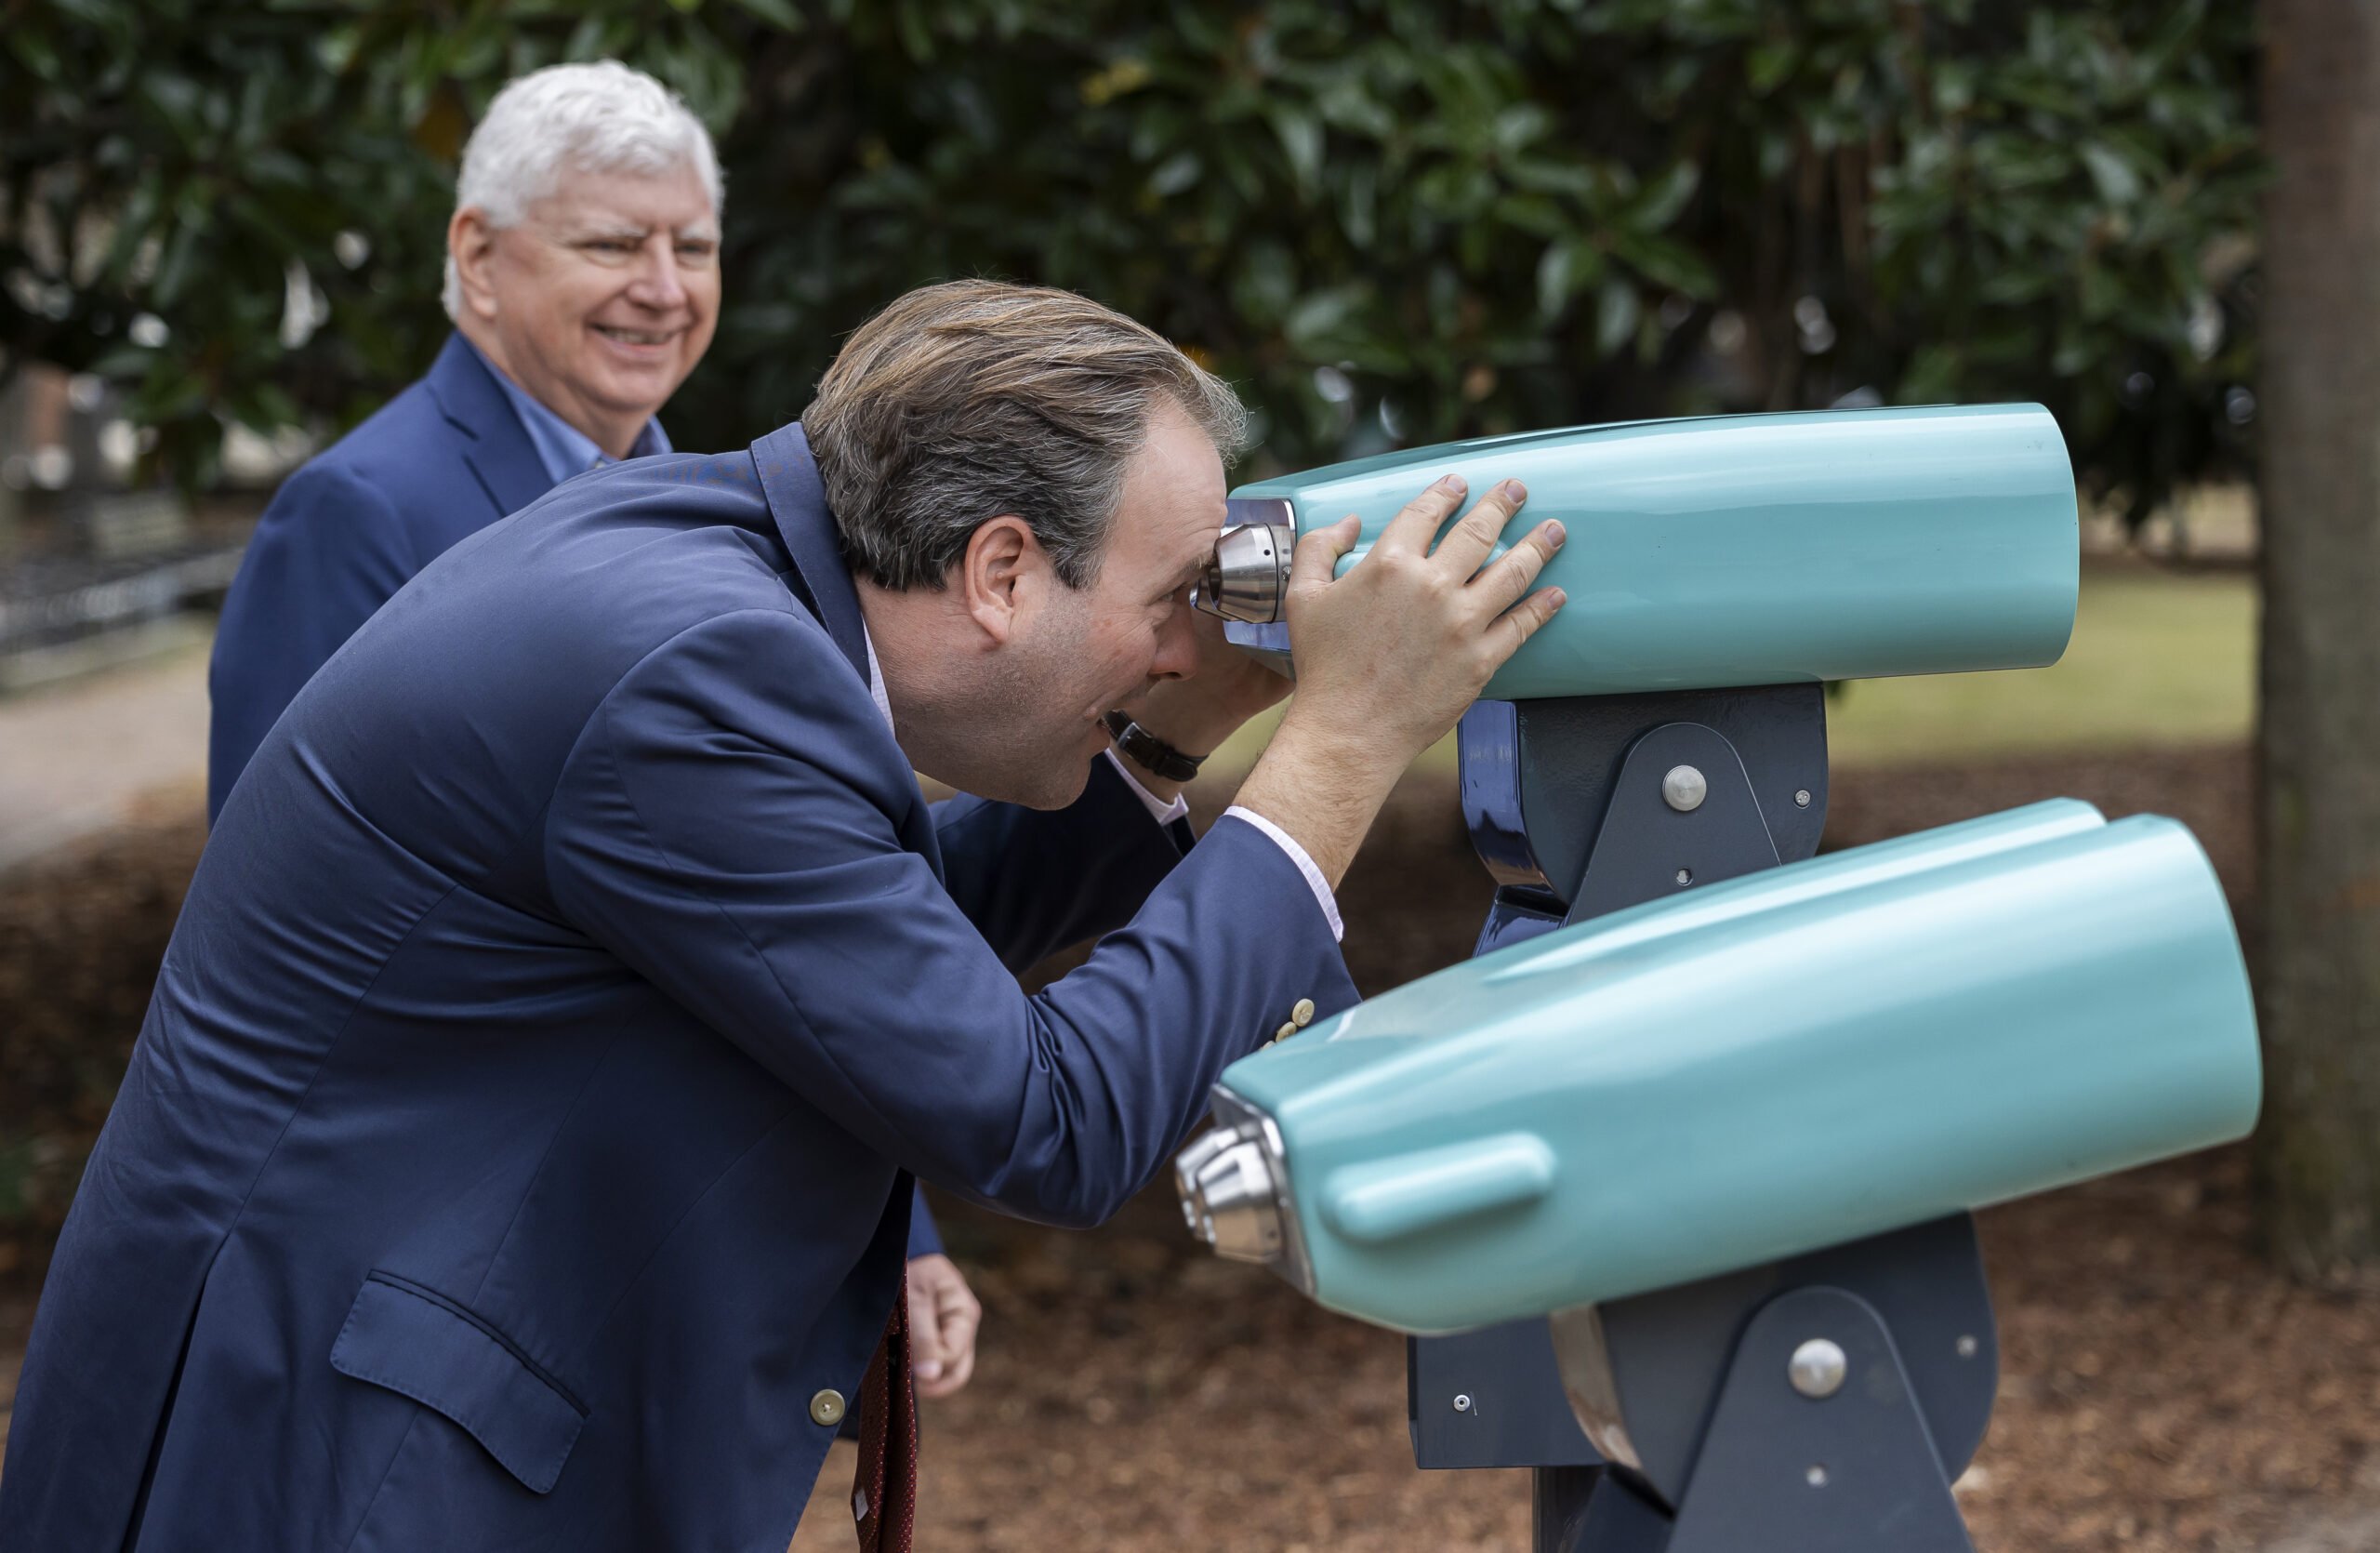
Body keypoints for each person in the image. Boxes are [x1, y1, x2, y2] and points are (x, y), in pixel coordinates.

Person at [0, 280, 1567, 1552]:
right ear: (1002, 569)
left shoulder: (718, 583)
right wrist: (1346, 744)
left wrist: (1168, 737)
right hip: (338, 1467)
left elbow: (858, 949)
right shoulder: (695, 675)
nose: (1184, 642)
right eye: (1169, 604)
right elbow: (1046, 1118)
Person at [201, 60, 979, 1377]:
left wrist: (894, 1231)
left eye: (695, 245)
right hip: (435, 1289)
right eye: (613, 243)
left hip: (664, 1260)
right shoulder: (356, 514)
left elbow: (788, 907)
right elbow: (277, 935)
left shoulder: (717, 514)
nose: (665, 288)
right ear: (481, 257)